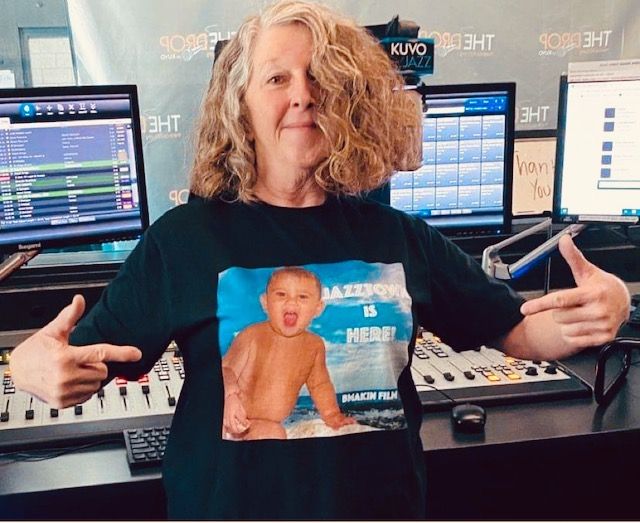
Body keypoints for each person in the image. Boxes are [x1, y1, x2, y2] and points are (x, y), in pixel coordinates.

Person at [9, 0, 630, 519]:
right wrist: (30, 366)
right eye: (277, 78)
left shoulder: (399, 237)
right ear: (240, 103)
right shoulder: (183, 241)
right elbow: (77, 360)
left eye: (320, 78)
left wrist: (608, 307)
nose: (303, 95)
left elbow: (519, 331)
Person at [222, 266, 355, 440]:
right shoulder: (252, 335)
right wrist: (230, 397)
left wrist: (332, 415)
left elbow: (320, 384)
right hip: (227, 415)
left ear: (318, 308)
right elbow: (225, 370)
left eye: (302, 297)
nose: (291, 303)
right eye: (281, 295)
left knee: (275, 433)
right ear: (265, 302)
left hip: (259, 426)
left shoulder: (314, 345)